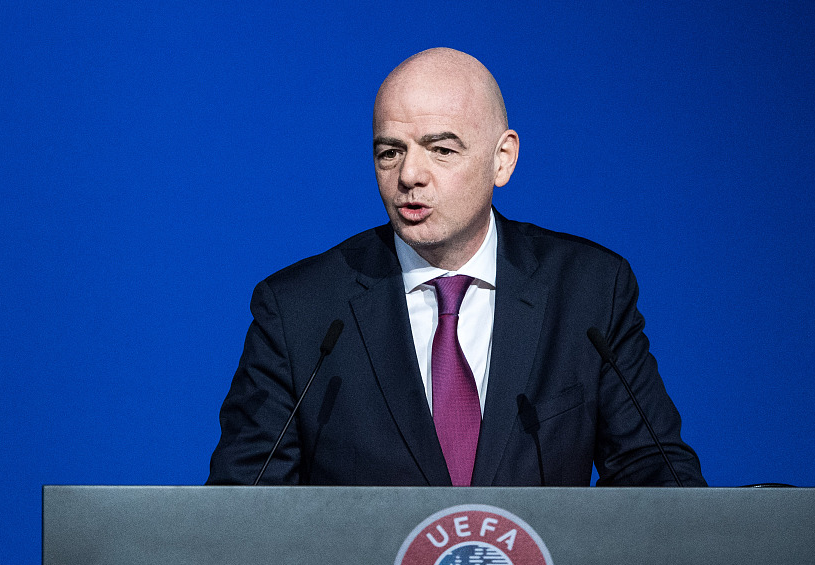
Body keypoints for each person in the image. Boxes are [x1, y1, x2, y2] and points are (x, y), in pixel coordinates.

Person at [207, 48, 705, 487]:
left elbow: (656, 477)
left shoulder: (589, 291)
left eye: (441, 150)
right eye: (390, 152)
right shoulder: (300, 311)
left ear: (502, 159)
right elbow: (242, 511)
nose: (409, 175)